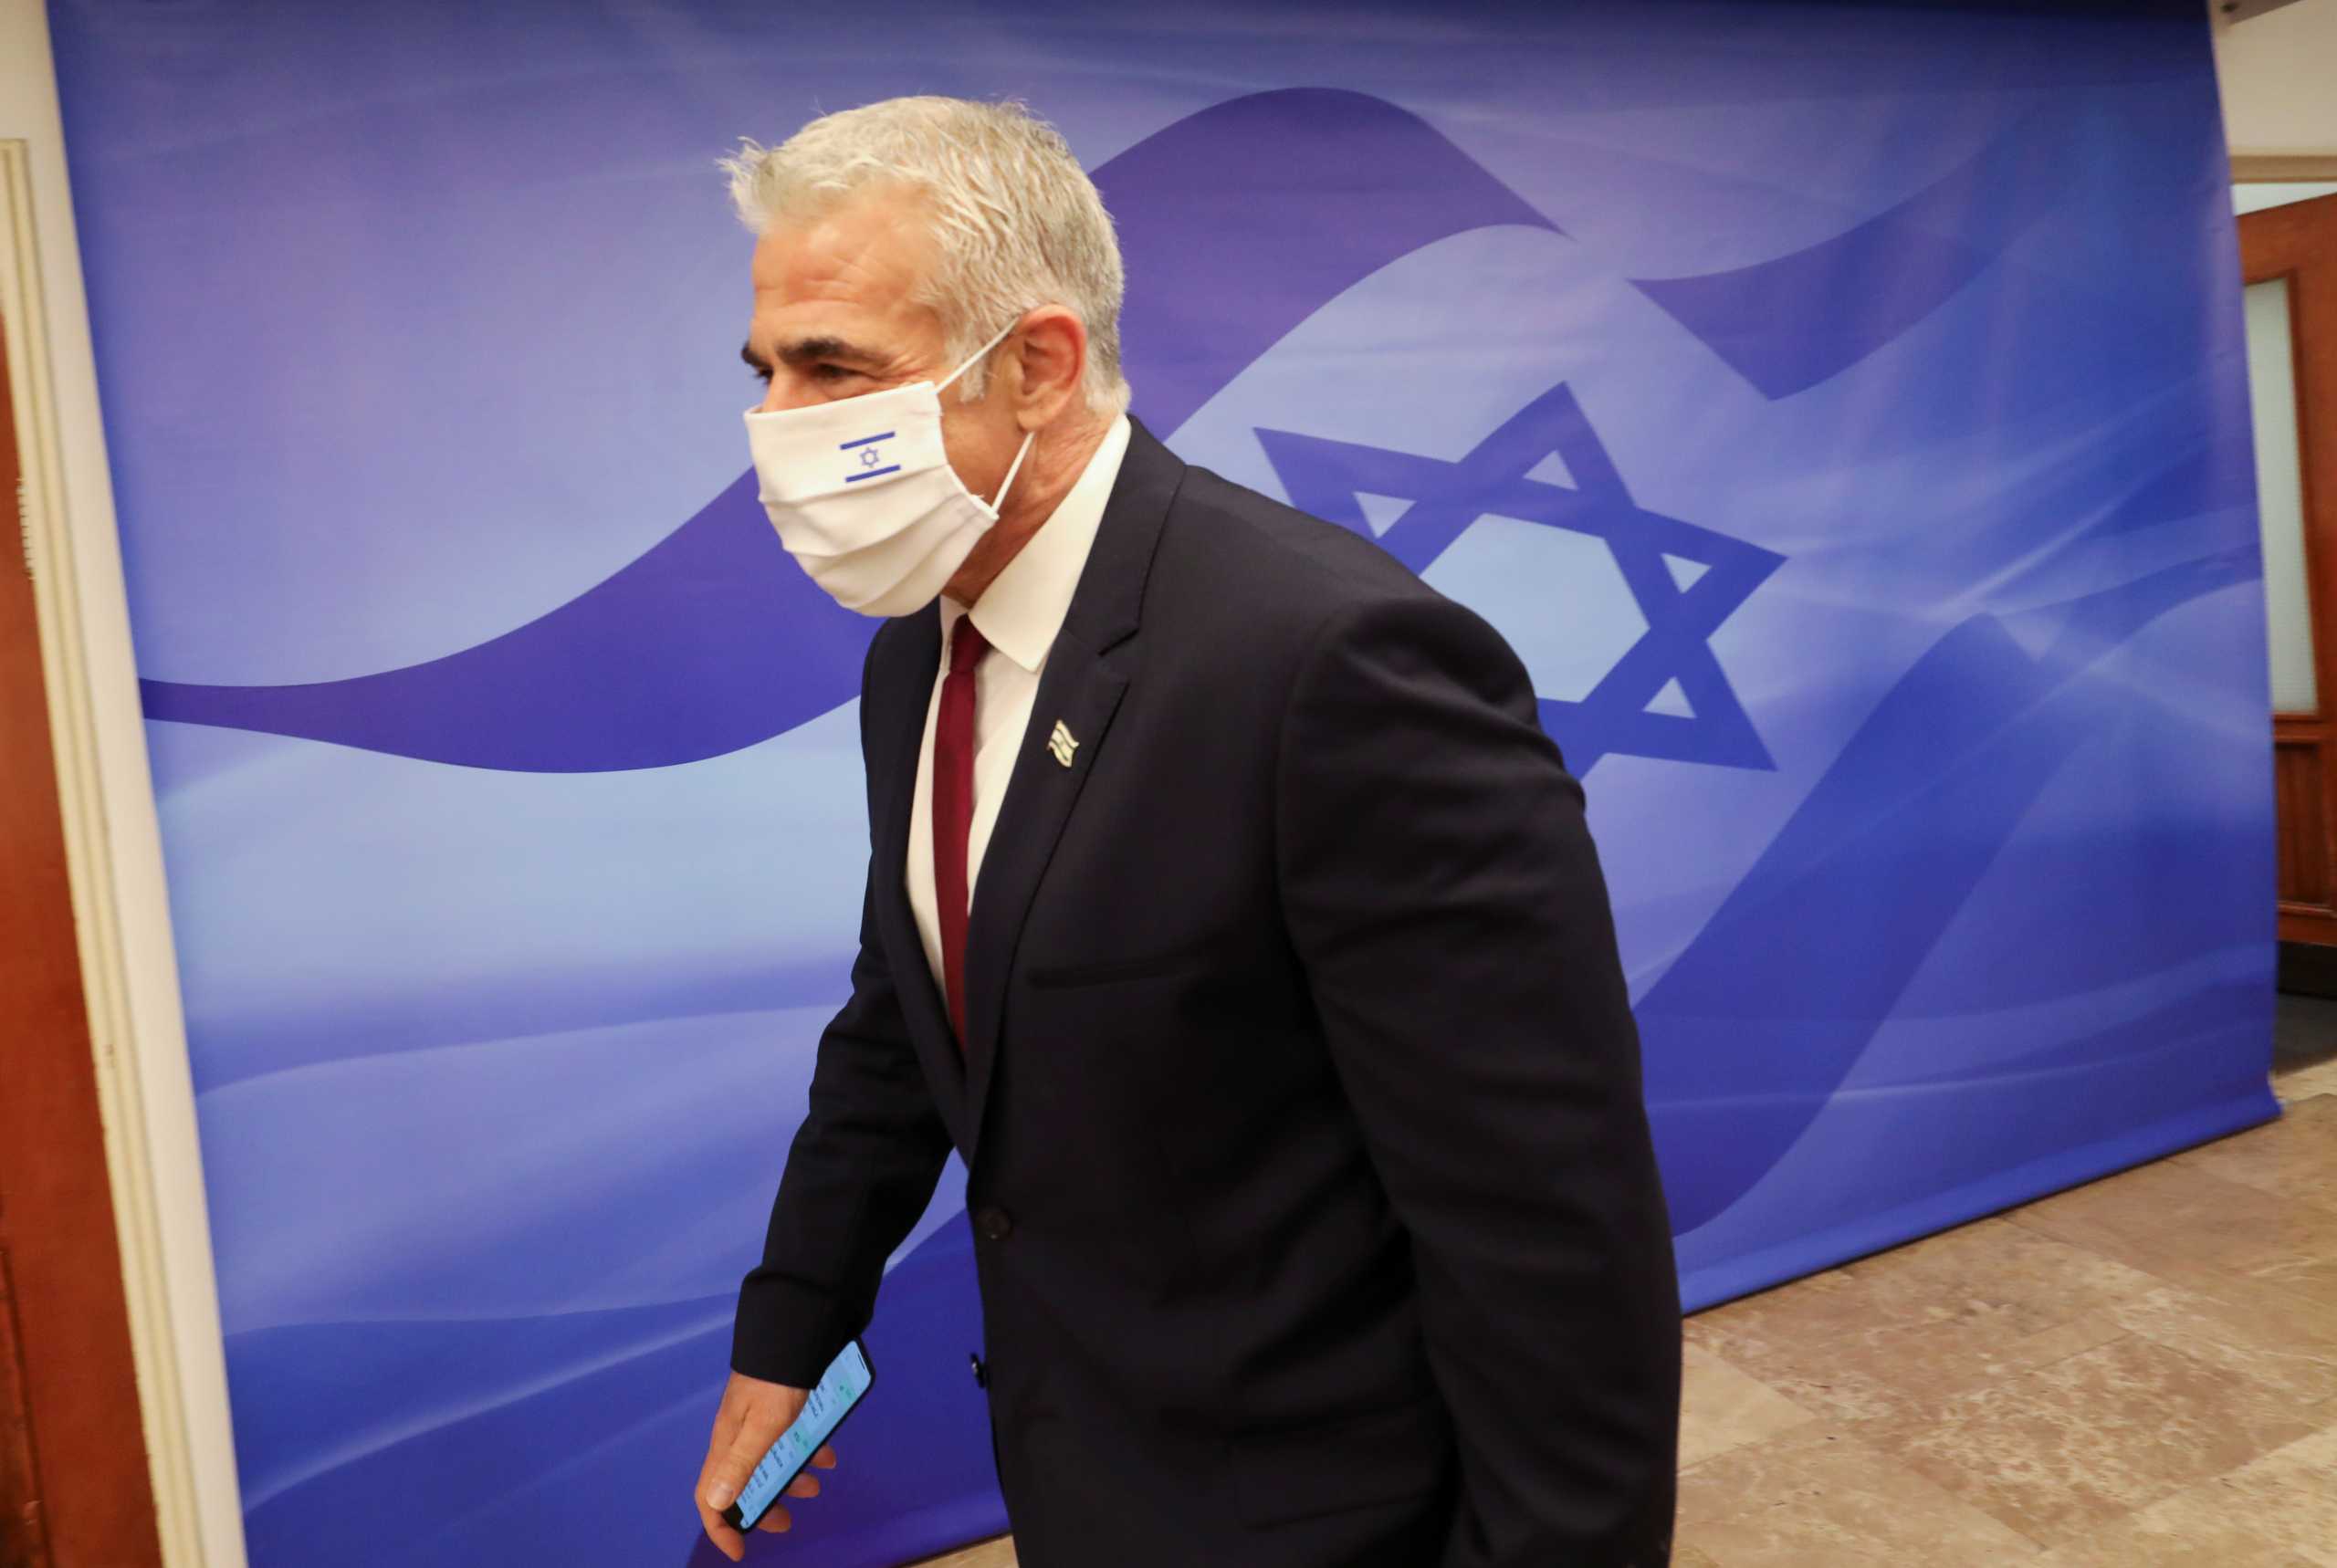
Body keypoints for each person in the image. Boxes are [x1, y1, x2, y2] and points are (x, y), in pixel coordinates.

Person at [693, 95, 1682, 1568]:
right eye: (767, 370)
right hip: (1082, 1476)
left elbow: (1551, 1254)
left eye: (835, 367)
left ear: (1036, 365)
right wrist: (794, 1328)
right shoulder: (923, 644)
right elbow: (909, 1011)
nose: (776, 427)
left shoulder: (1336, 668)